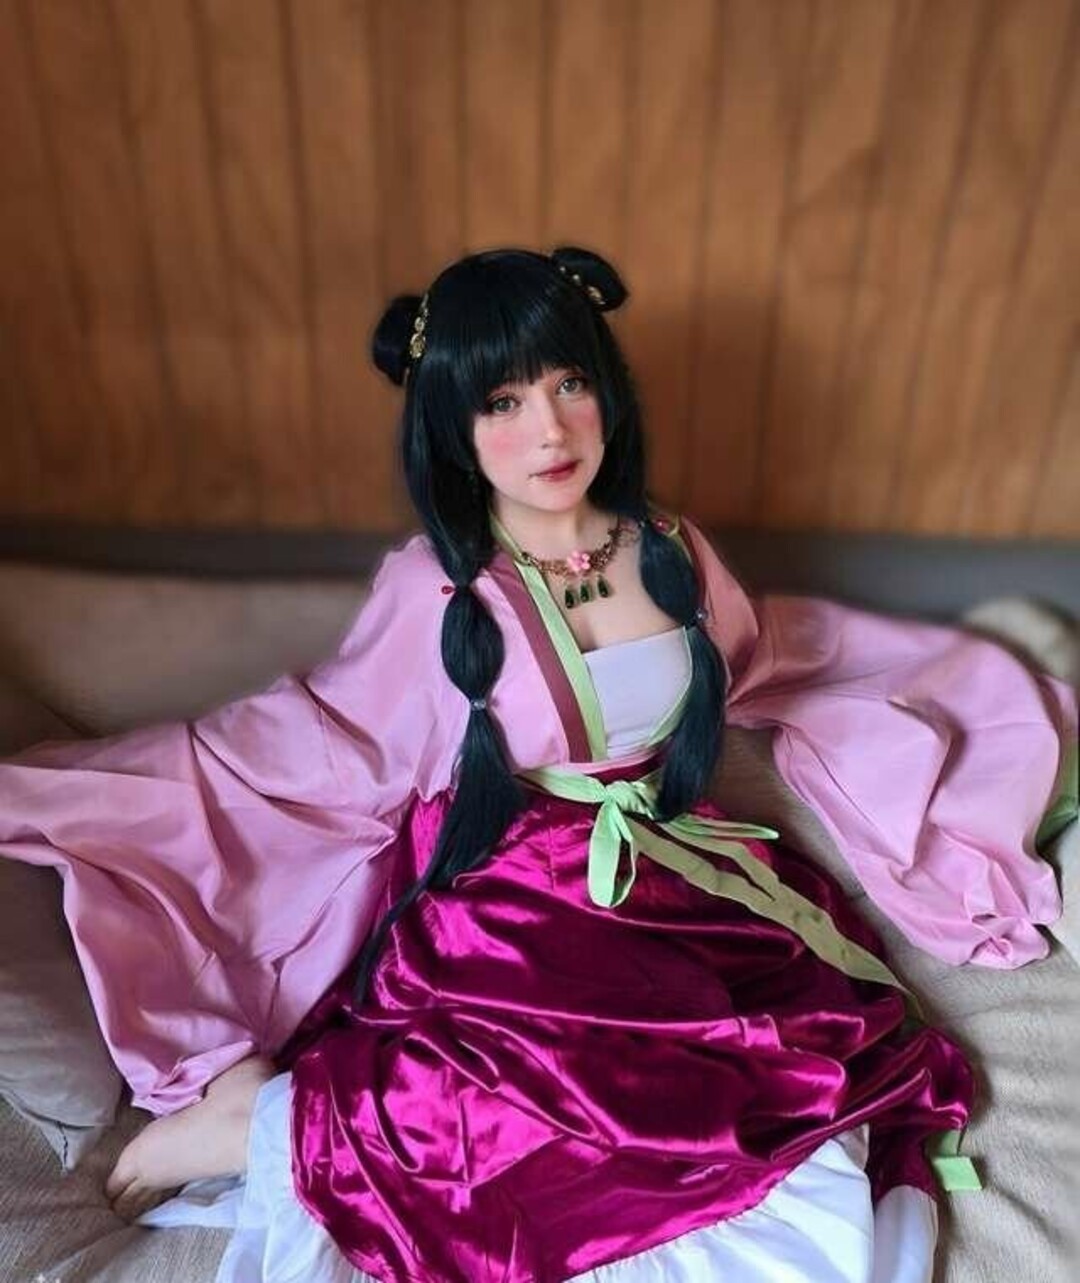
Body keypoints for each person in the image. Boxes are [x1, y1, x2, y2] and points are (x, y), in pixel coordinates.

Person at [1, 247, 1075, 1283]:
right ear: (454, 431)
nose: (550, 428)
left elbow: (784, 659)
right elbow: (329, 747)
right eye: (503, 402)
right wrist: (101, 794)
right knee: (528, 1103)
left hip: (669, 873)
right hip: (513, 897)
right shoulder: (438, 589)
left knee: (784, 1066)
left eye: (570, 384)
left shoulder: (669, 545)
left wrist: (967, 708)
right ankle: (266, 1123)